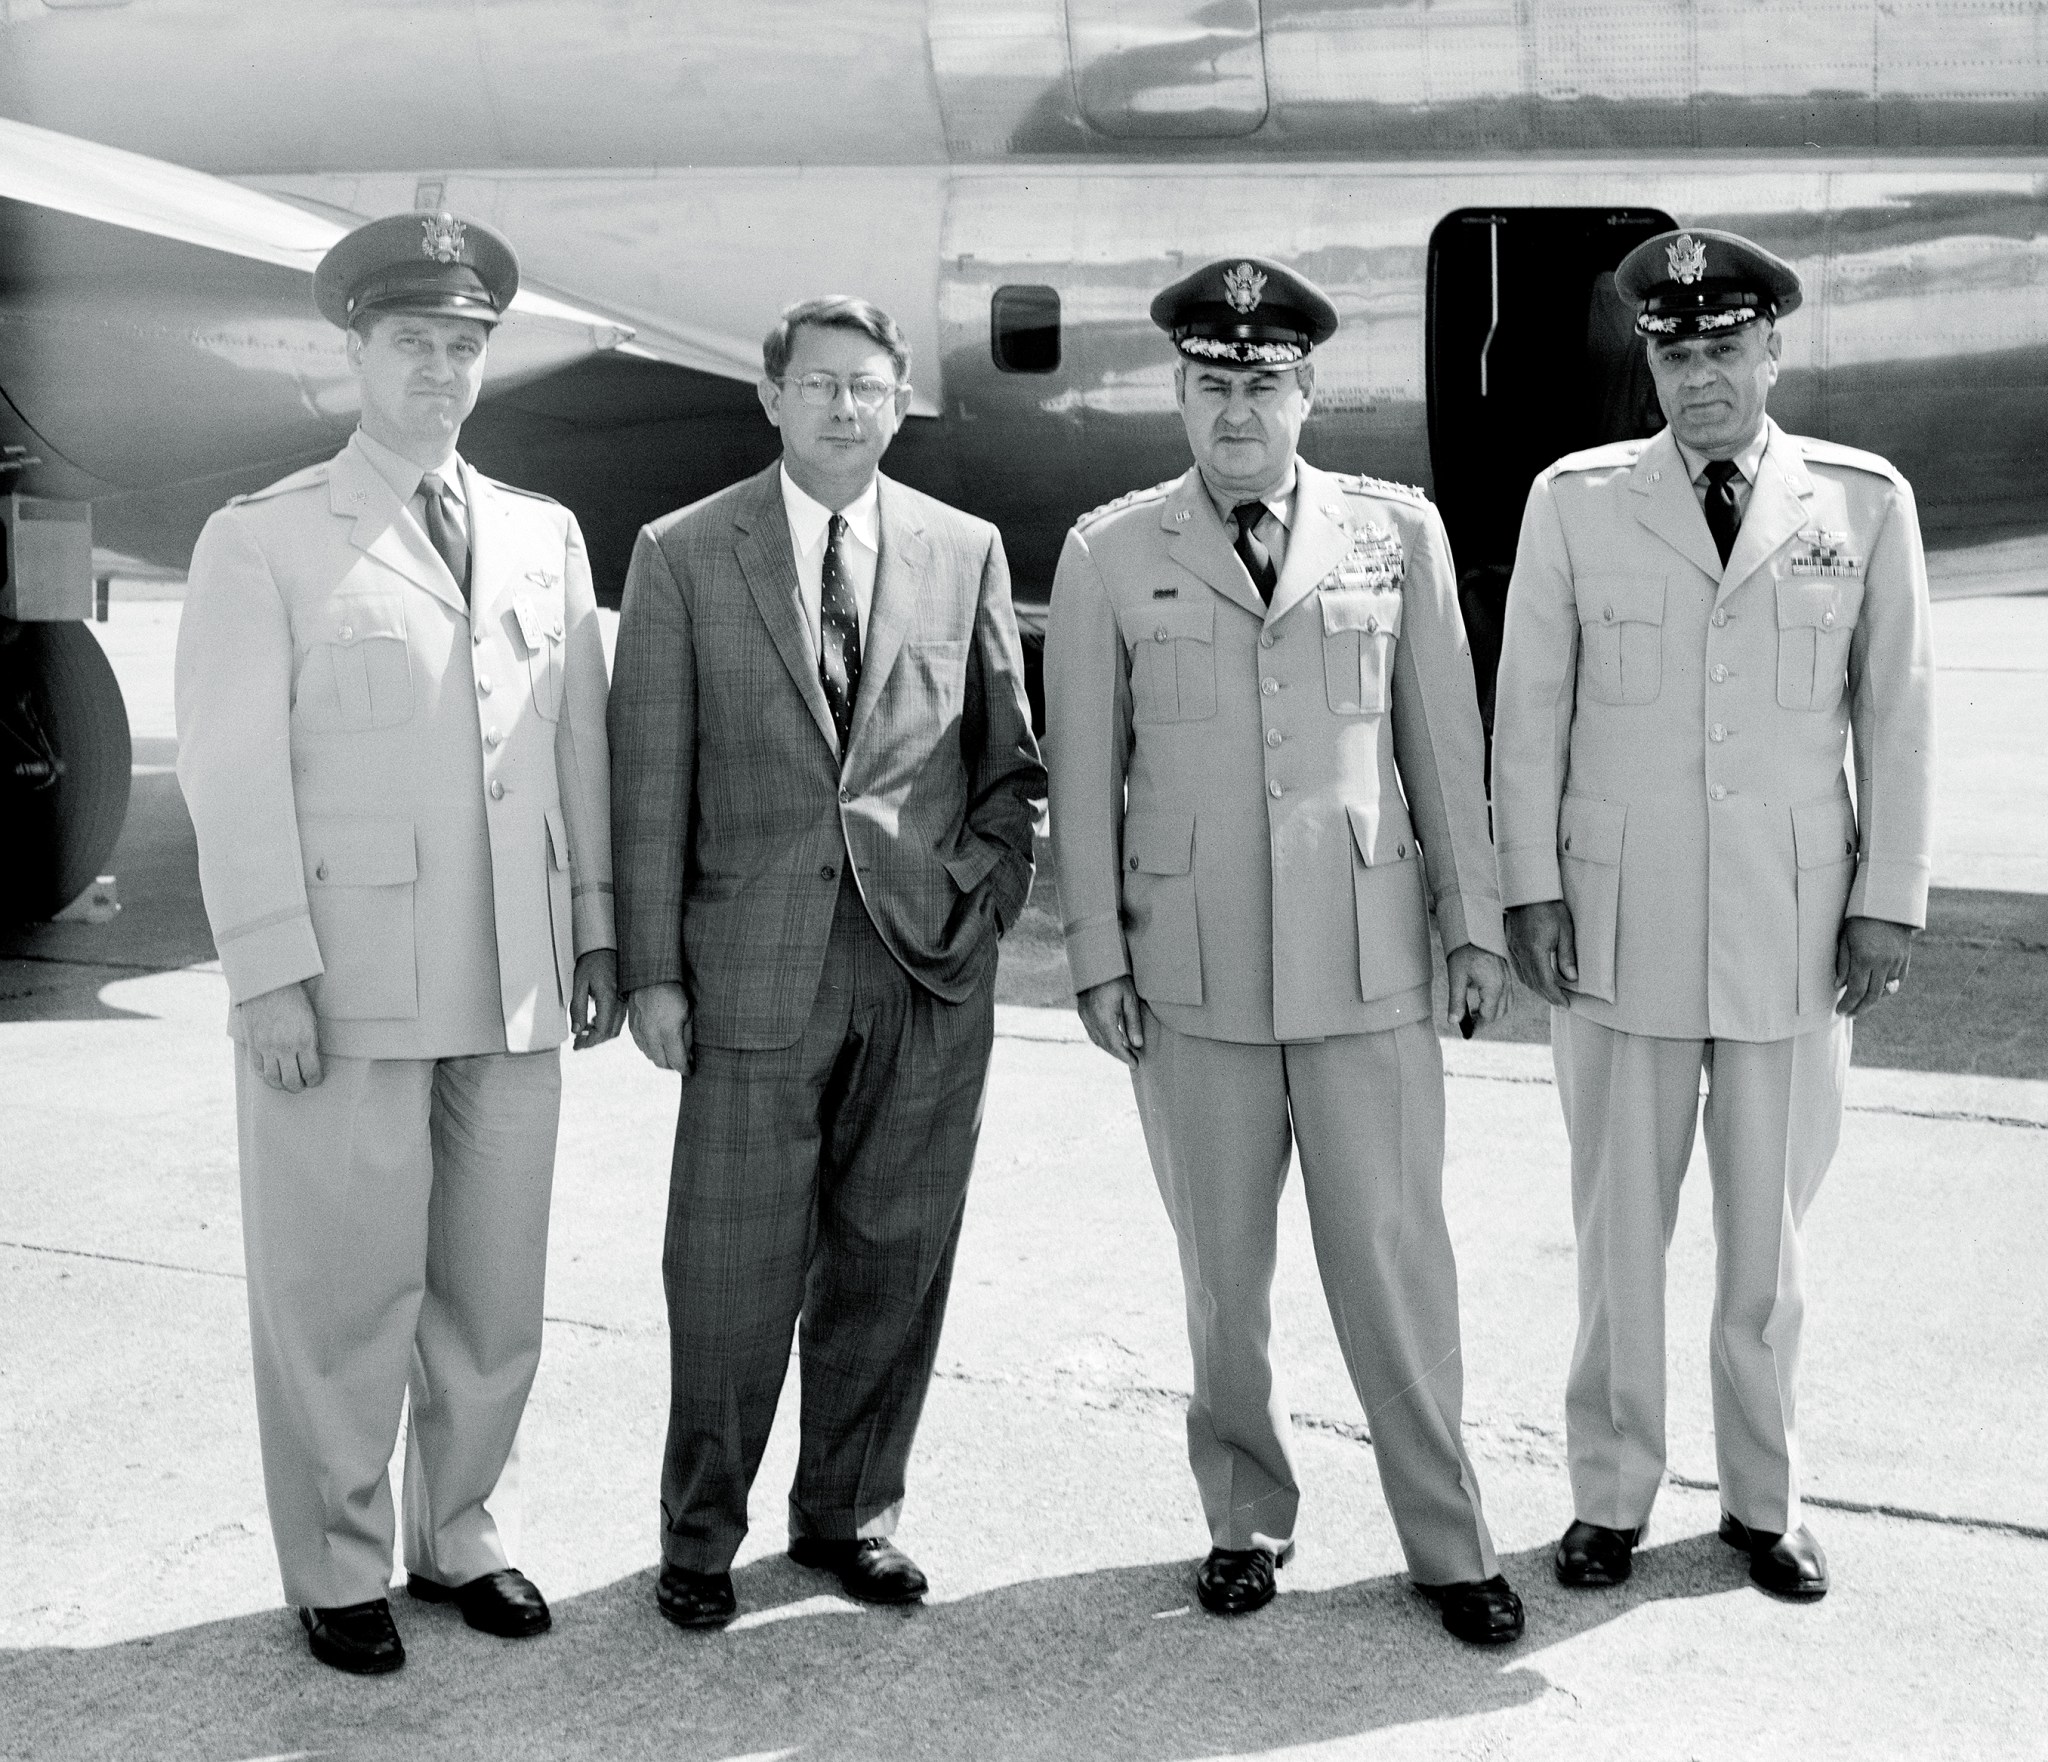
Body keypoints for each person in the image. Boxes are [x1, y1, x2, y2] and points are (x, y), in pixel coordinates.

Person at [1045, 257, 1523, 1645]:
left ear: (1310, 389)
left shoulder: (1396, 535)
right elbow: (1087, 778)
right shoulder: (1111, 552)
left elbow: (1446, 746)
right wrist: (1095, 957)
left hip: (1370, 963)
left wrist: (1472, 924)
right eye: (1211, 382)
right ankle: (1243, 1518)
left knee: (1394, 1260)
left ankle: (1449, 1539)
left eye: (1263, 380)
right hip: (1190, 972)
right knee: (1223, 1275)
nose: (1236, 406)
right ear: (1179, 395)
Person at [174, 212, 623, 1674]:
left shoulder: (546, 537)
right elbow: (232, 774)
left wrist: (596, 935)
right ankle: (338, 1556)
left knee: (491, 1287)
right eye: (414, 342)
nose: (441, 368)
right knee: (339, 1286)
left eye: (464, 345)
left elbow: (577, 753)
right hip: (346, 985)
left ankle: (462, 1528)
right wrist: (267, 972)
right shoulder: (267, 539)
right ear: (355, 351)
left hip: (512, 979)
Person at [1492, 228, 1935, 1602]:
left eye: (1723, 346)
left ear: (1772, 350)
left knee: (1771, 1239)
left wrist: (1889, 902)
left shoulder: (1858, 504)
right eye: (1674, 350)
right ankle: (1610, 1495)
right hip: (1616, 927)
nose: (1699, 374)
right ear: (1652, 359)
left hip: (1795, 929)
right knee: (1620, 1234)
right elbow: (1532, 708)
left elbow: (1899, 716)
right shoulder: (1576, 502)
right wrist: (1529, 884)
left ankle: (1762, 1496)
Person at [608, 295, 1045, 1631]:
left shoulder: (962, 548)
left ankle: (850, 1515)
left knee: (893, 1257)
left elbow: (1006, 762)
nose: (845, 407)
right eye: (820, 384)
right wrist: (651, 970)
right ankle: (700, 1535)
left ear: (901, 398)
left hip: (923, 971)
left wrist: (980, 908)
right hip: (750, 968)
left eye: (868, 386)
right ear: (771, 397)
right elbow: (647, 781)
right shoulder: (685, 555)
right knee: (728, 1270)